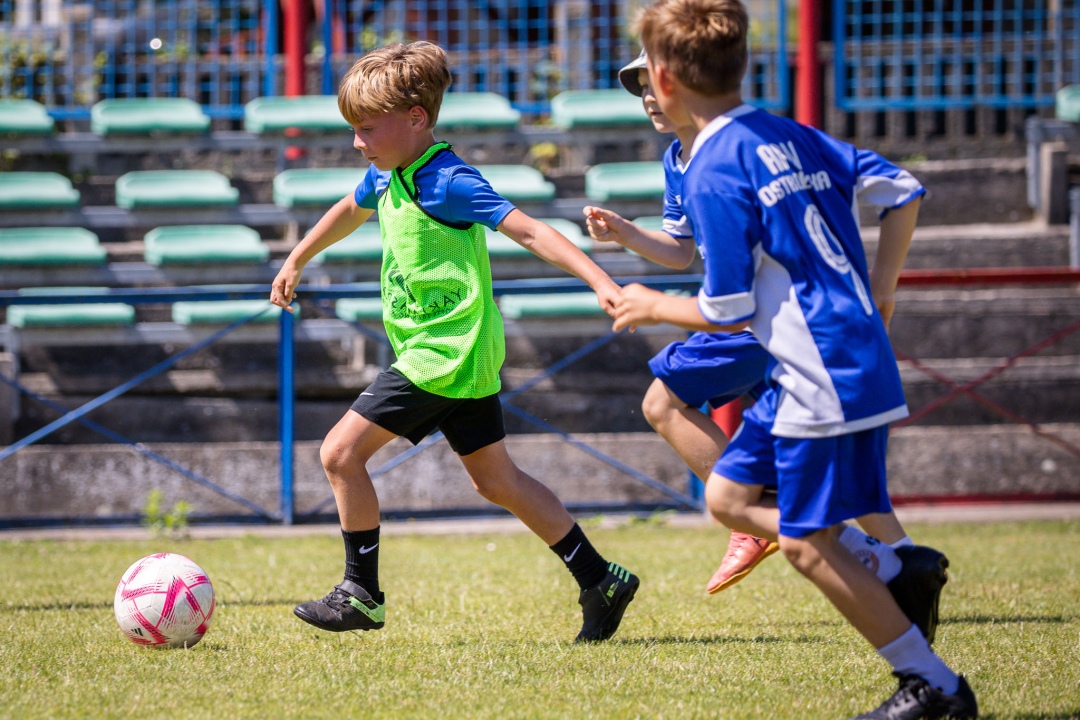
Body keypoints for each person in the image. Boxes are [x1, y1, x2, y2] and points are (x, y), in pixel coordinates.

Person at [615, 1, 977, 718]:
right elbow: (903, 191)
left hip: (819, 367)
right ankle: (894, 562)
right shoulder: (791, 134)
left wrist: (651, 304)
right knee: (729, 499)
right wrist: (880, 294)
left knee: (807, 543)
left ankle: (932, 681)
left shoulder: (711, 167)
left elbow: (727, 309)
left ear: (665, 78)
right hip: (837, 356)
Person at [269, 41, 638, 643]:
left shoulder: (448, 181)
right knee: (496, 481)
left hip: (445, 352)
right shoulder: (388, 172)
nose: (357, 142)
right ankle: (601, 579)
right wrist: (297, 257)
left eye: (367, 129)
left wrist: (602, 281)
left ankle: (361, 593)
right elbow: (350, 208)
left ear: (416, 119)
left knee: (339, 454)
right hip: (453, 354)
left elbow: (531, 231)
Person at [586, 50, 943, 606]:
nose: (649, 96)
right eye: (640, 87)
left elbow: (728, 305)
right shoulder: (693, 155)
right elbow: (681, 249)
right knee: (844, 481)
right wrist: (626, 233)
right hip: (826, 333)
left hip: (768, 323)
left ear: (688, 80)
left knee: (664, 406)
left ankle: (762, 514)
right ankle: (909, 567)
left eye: (655, 81)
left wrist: (654, 306)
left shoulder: (727, 156)